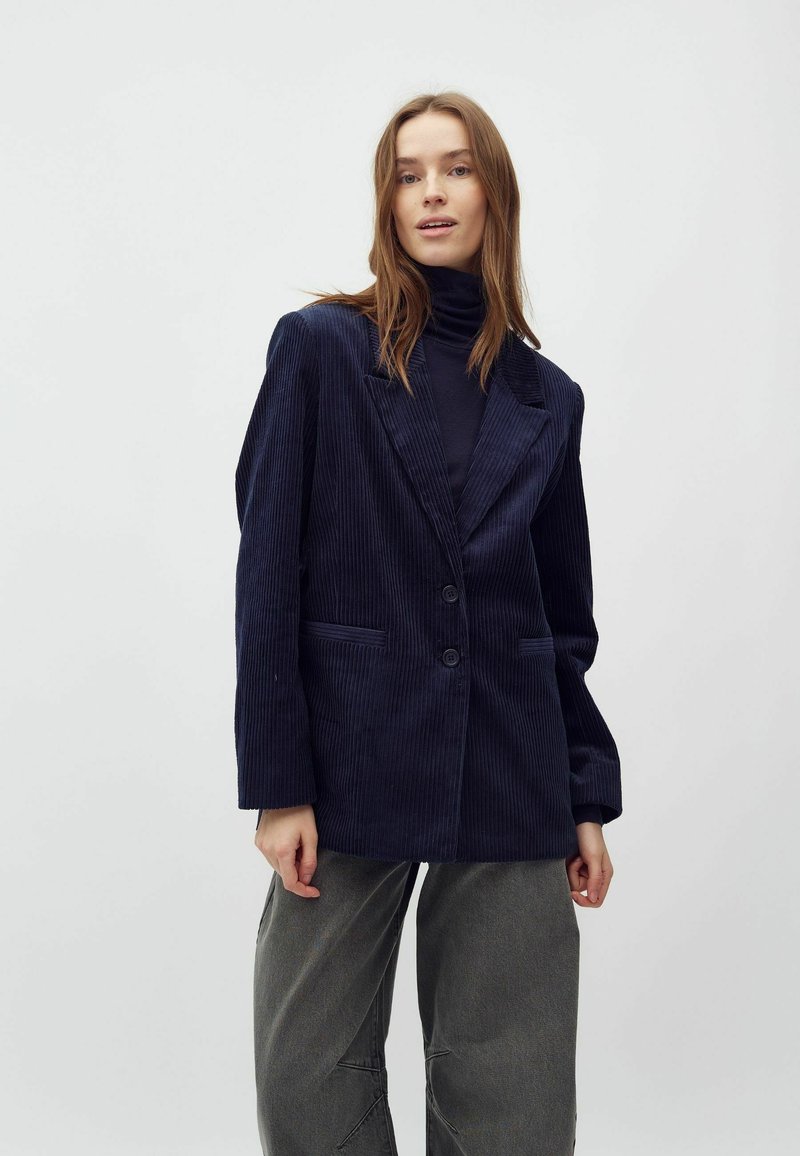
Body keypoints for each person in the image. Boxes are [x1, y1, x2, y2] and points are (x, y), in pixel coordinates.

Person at [234, 91, 623, 1155]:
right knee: (307, 1072)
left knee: (511, 1088)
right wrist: (279, 782)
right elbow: (266, 577)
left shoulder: (548, 397)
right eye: (408, 175)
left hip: (510, 761)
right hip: (348, 757)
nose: (432, 193)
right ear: (387, 201)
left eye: (455, 169)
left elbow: (561, 616)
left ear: (495, 194)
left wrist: (582, 795)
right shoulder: (320, 351)